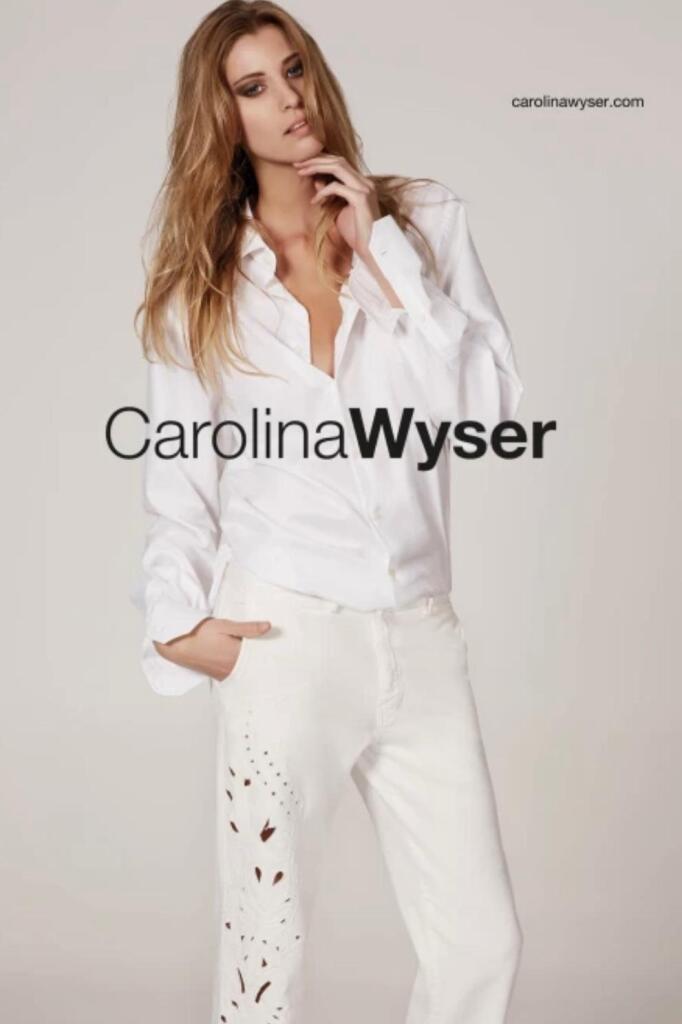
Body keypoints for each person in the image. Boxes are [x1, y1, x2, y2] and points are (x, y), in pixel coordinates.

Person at [130, 2, 525, 1021]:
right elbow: (180, 480)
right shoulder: (201, 286)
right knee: (265, 957)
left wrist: (383, 254)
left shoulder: (421, 221)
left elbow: (487, 414)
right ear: (222, 117)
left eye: (295, 69)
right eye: (253, 86)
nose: (288, 98)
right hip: (284, 635)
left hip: (419, 634)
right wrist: (175, 625)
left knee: (480, 942)